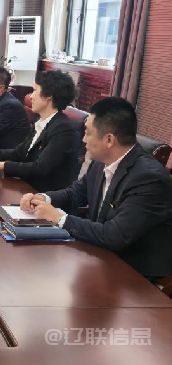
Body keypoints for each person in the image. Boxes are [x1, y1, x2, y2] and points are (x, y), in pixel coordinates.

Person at [20, 97, 172, 279]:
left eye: (88, 133)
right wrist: (44, 198)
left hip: (134, 272)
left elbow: (115, 235)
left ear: (109, 140)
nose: (83, 139)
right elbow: (76, 193)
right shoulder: (101, 161)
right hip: (99, 254)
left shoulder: (149, 179)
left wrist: (59, 218)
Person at [0, 70, 79, 192]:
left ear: (49, 96)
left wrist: (3, 165)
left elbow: (41, 167)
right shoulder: (41, 122)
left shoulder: (63, 129)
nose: (31, 96)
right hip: (26, 186)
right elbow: (18, 153)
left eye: (35, 91)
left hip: (42, 194)